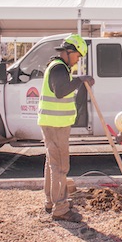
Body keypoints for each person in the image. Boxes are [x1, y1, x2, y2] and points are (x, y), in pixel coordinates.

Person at [37, 34, 95, 222]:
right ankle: (61, 208)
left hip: (52, 123)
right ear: (69, 52)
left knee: (52, 162)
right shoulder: (59, 69)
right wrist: (80, 80)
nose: (78, 60)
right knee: (61, 165)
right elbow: (61, 91)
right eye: (77, 56)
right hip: (56, 124)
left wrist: (77, 79)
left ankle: (50, 201)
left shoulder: (58, 67)